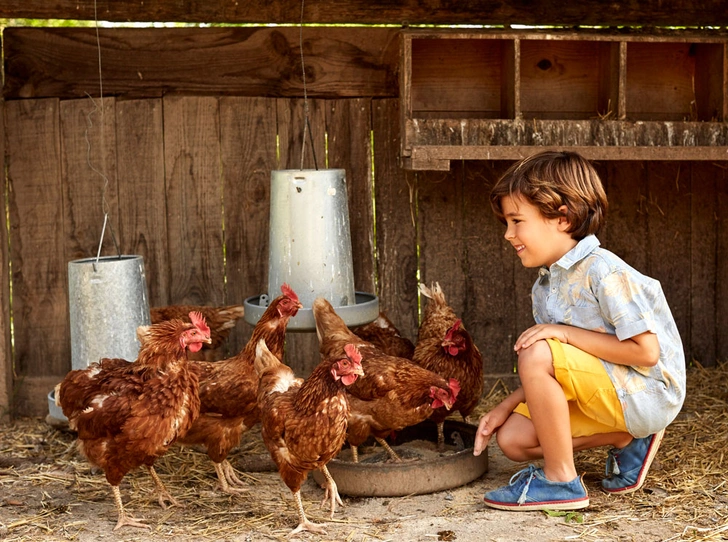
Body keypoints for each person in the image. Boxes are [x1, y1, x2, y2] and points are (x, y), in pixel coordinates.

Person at [473, 150, 685, 511]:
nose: (508, 234)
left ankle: (561, 480)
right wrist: (505, 406)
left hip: (646, 390)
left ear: (562, 217)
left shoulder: (603, 272)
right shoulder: (544, 288)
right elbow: (557, 368)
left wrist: (563, 334)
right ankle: (626, 437)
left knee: (537, 348)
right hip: (608, 393)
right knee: (513, 440)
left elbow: (646, 353)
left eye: (516, 221)